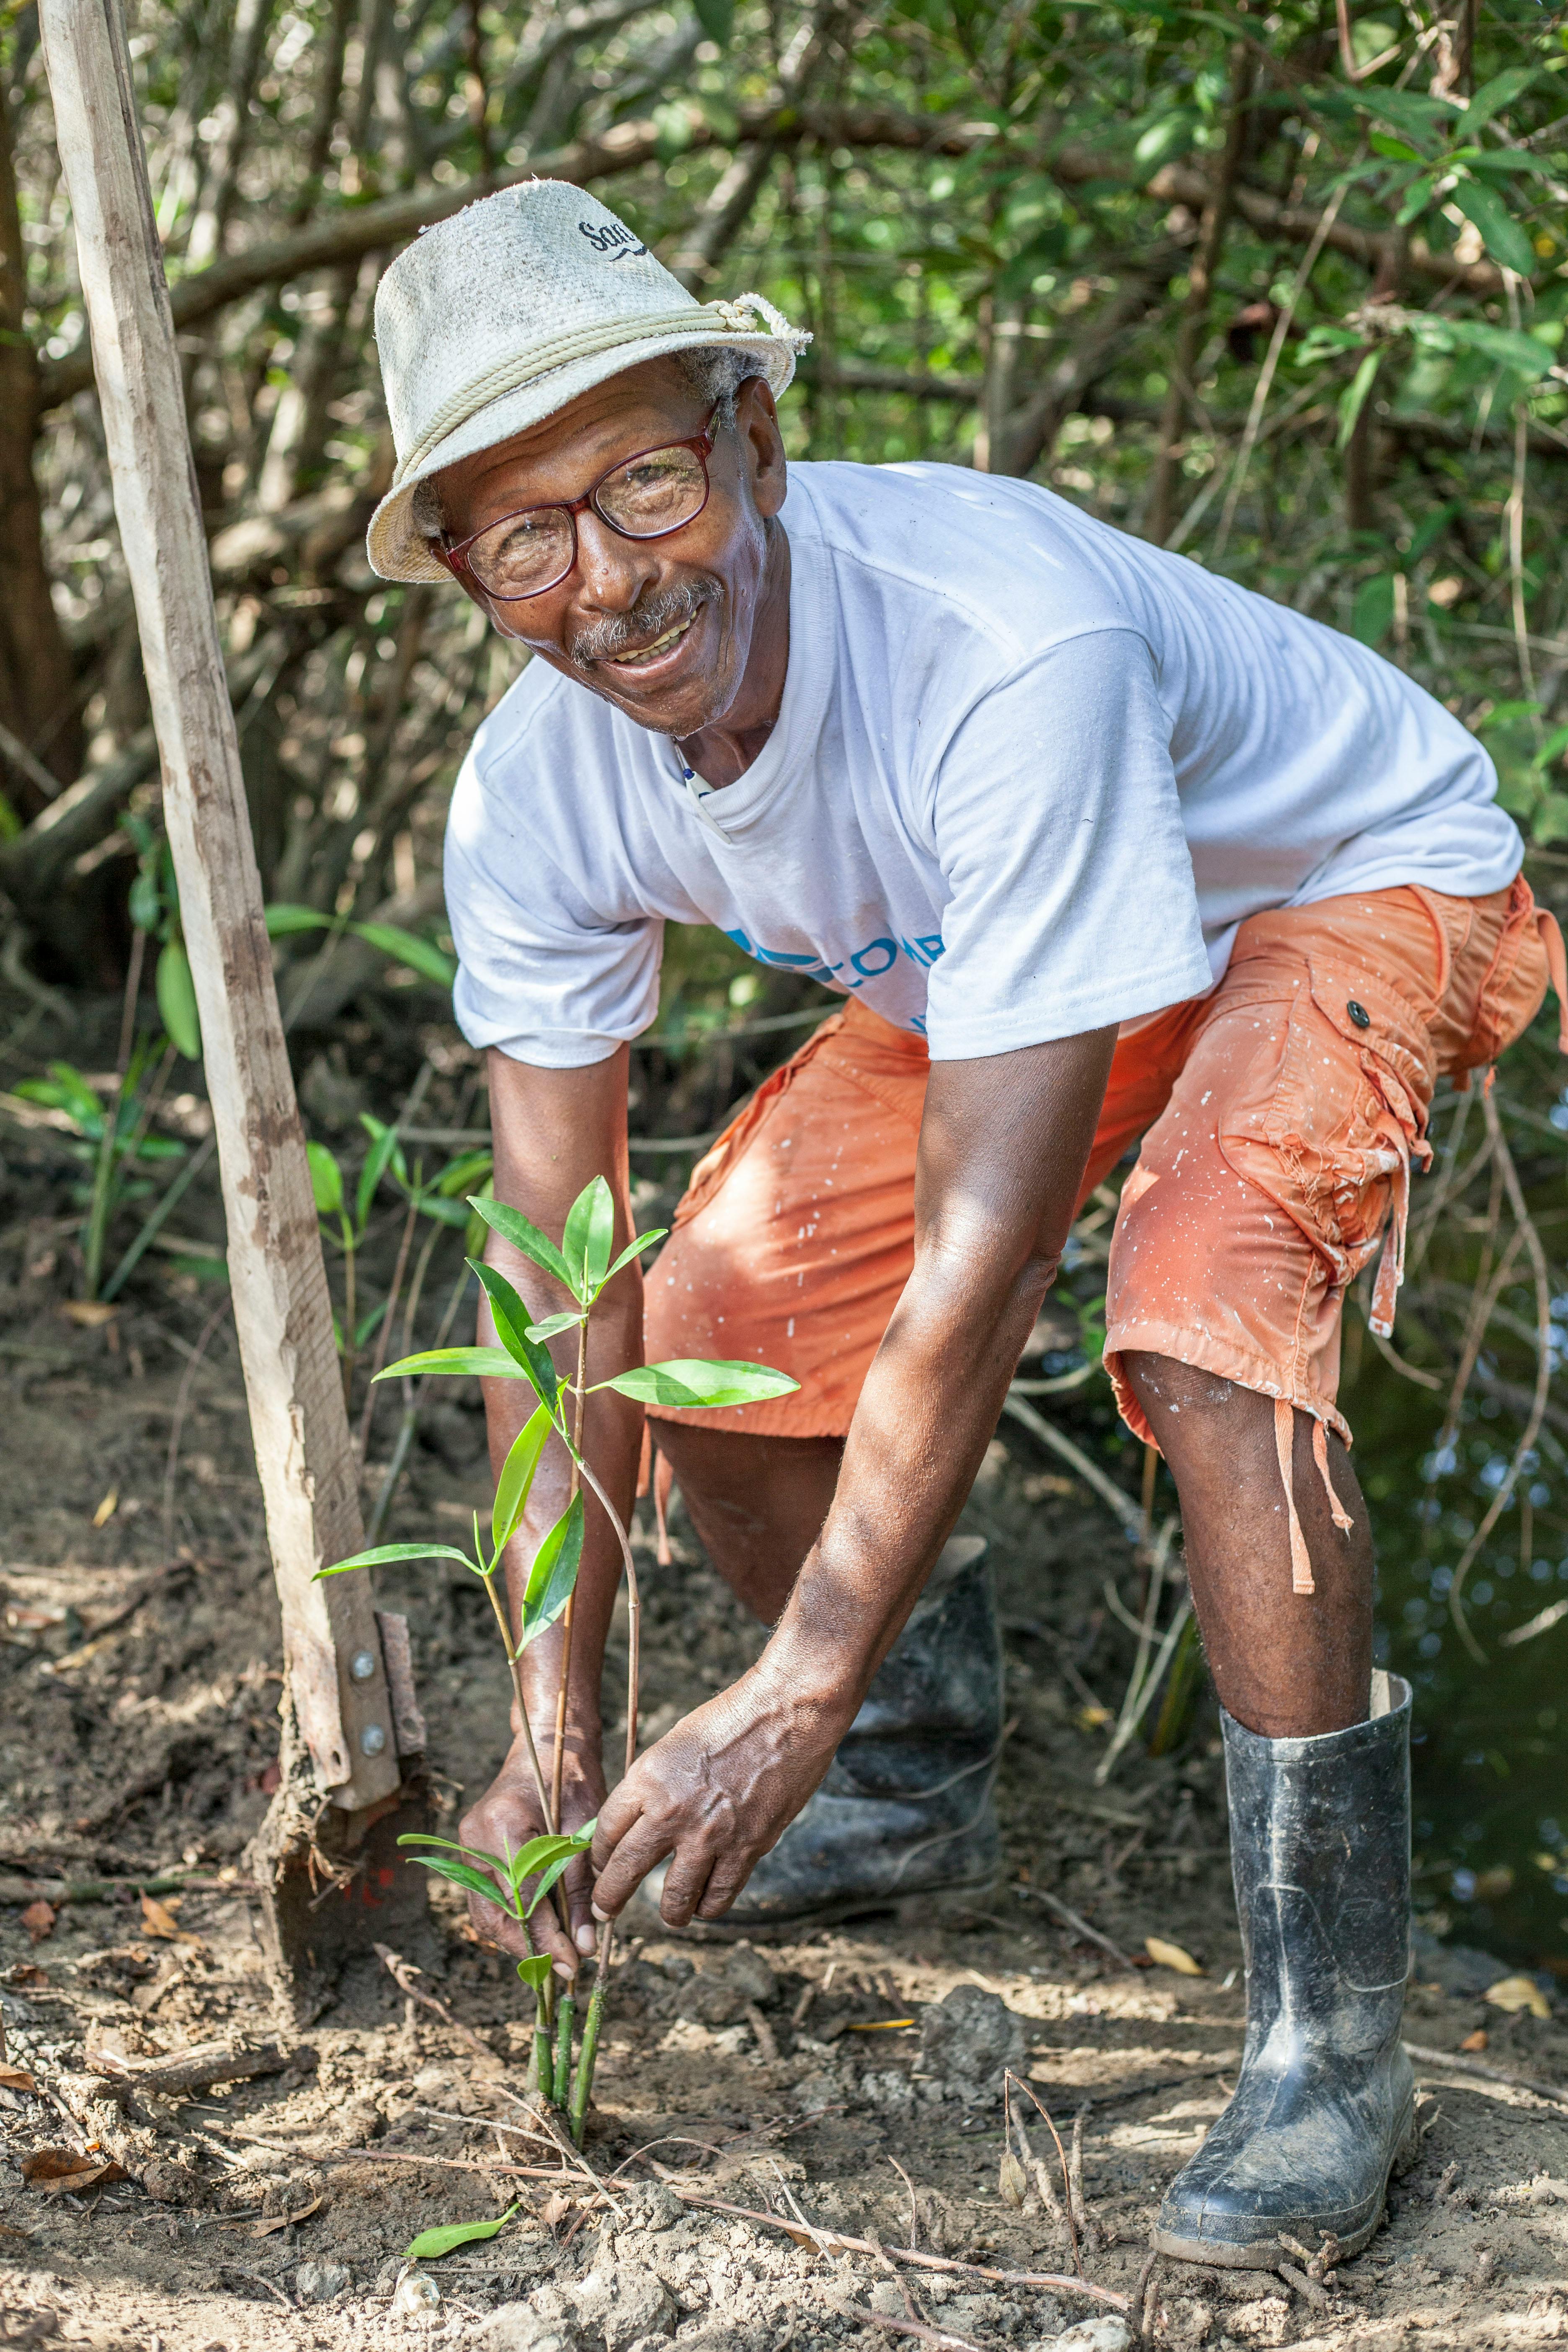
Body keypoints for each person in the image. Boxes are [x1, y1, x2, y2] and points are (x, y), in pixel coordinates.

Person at [365, 180, 1564, 2266]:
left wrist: (791, 1667)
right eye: (528, 537)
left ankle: (1331, 2042)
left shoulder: (1004, 643)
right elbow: (566, 1272)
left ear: (753, 439)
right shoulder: (531, 791)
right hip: (1024, 961)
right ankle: (913, 1772)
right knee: (711, 1312)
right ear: (469, 572)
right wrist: (555, 1718)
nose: (613, 581)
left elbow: (991, 1259)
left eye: (649, 480)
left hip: (1339, 874)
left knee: (1203, 1307)